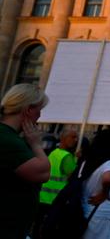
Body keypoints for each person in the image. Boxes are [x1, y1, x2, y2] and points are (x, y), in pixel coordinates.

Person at [0, 83, 51, 239]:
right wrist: (35, 143)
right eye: (39, 109)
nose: (40, 115)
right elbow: (43, 172)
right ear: (28, 109)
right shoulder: (7, 139)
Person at [79, 129, 110, 239]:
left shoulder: (87, 161)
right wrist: (104, 193)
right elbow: (108, 178)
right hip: (103, 216)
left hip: (87, 212)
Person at [35, 128, 78, 238]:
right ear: (63, 138)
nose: (76, 140)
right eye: (73, 137)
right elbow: (74, 177)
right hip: (58, 200)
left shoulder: (53, 153)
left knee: (39, 229)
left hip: (43, 198)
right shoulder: (66, 156)